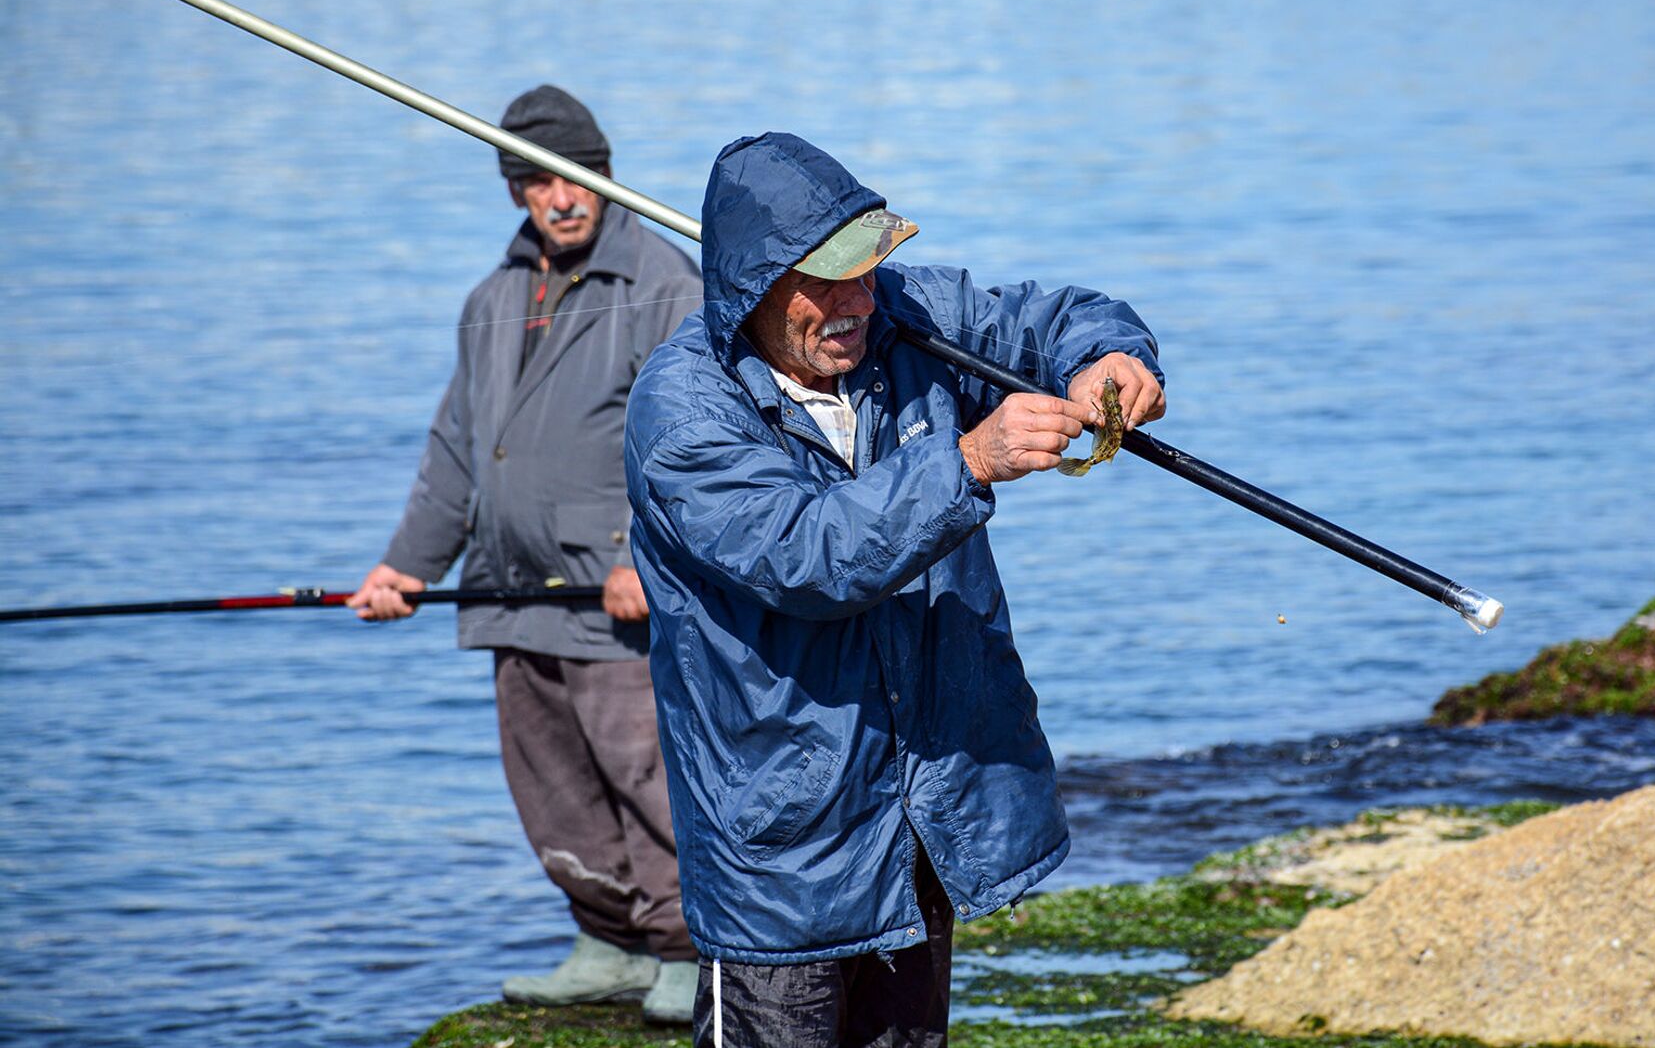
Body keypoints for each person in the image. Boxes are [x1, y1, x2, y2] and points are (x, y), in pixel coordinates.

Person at [623, 132, 1165, 1046]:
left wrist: (1107, 356)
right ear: (754, 285)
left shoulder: (902, 312)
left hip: (919, 830)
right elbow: (806, 555)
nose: (858, 303)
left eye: (869, 271)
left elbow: (1051, 314)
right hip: (778, 865)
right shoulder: (680, 412)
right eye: (827, 283)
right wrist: (969, 461)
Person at [346, 85, 703, 1021]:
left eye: (579, 176)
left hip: (618, 593)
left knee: (646, 771)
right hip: (505, 592)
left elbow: (690, 450)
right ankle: (607, 937)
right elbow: (460, 444)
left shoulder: (667, 284)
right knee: (547, 780)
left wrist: (645, 560)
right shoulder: (492, 296)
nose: (564, 197)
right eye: (540, 181)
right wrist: (408, 566)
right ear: (516, 191)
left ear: (608, 176)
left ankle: (684, 944)